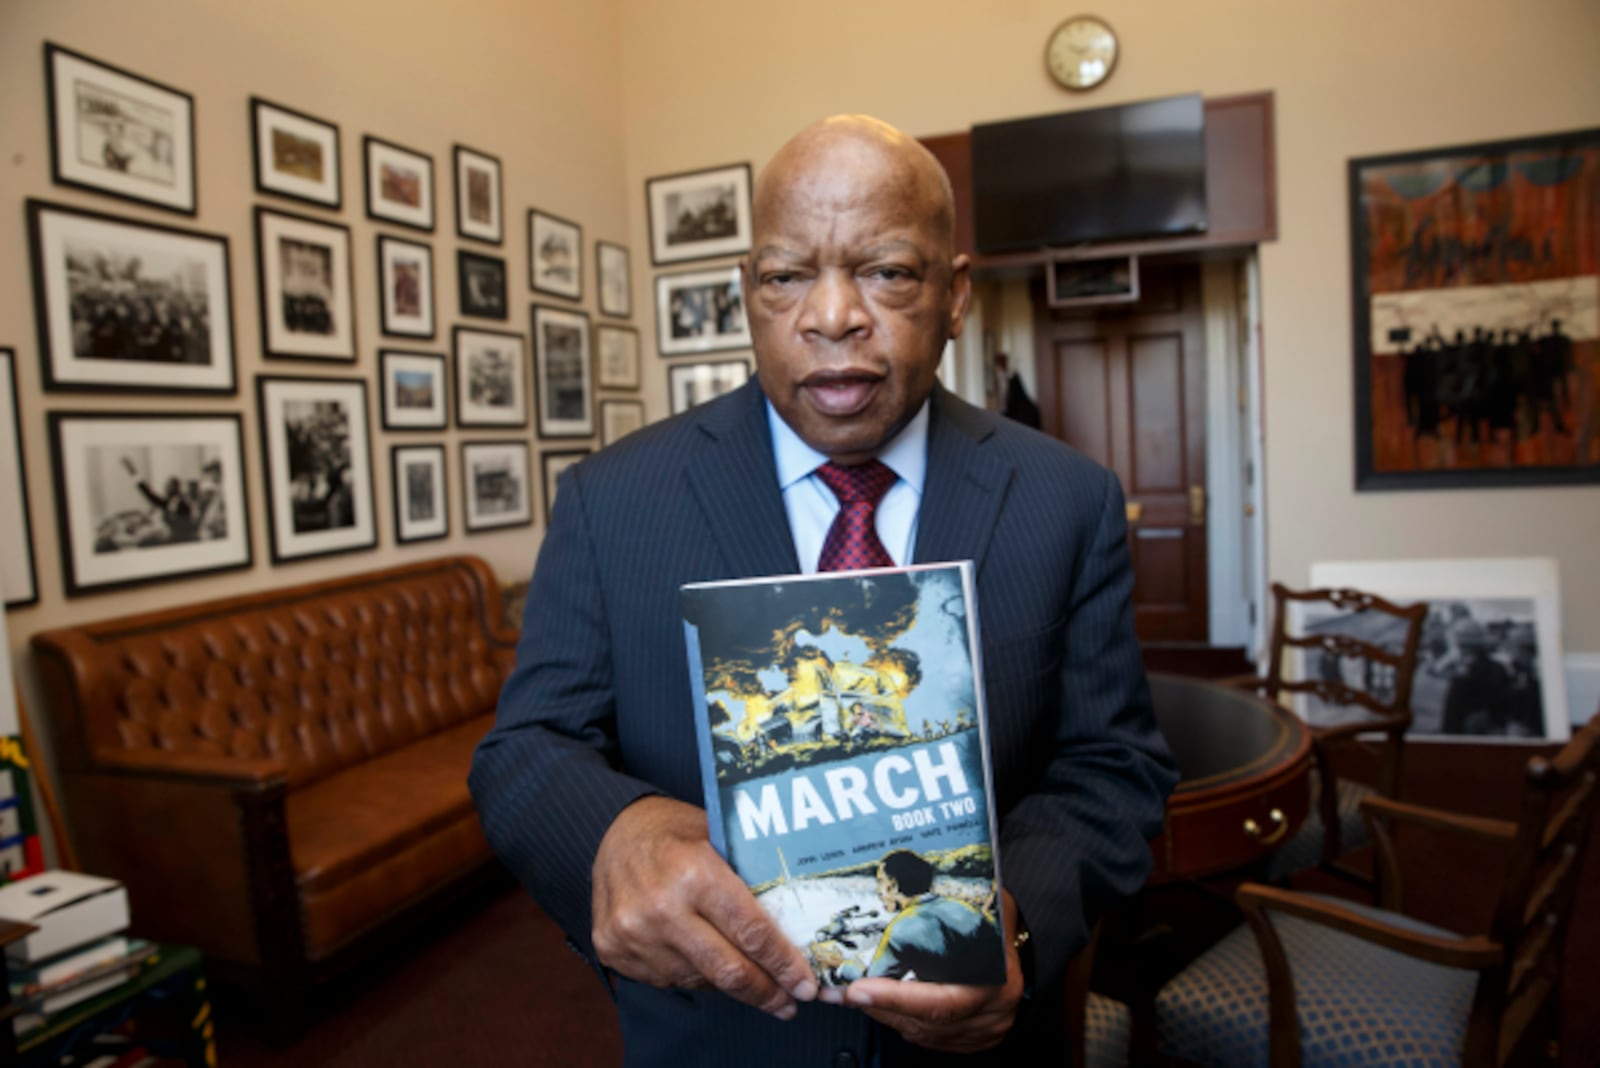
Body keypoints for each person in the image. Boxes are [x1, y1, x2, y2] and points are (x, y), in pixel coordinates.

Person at [470, 114, 1177, 1066]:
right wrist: (614, 834)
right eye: (786, 275)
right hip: (722, 1037)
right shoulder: (612, 500)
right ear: (747, 295)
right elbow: (525, 748)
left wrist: (1017, 928)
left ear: (956, 294)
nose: (832, 315)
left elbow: (1113, 769)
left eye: (886, 271)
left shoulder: (1066, 500)